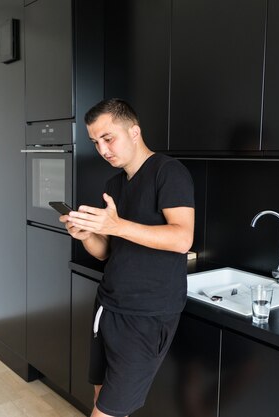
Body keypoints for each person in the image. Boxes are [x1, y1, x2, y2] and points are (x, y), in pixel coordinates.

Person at [60, 98, 195, 417]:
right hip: (108, 305)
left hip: (145, 315)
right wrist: (87, 235)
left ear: (134, 131)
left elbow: (182, 238)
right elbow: (107, 251)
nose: (103, 149)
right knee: (100, 396)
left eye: (108, 138)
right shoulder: (114, 184)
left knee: (107, 411)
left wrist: (116, 225)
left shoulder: (169, 172)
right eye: (95, 142)